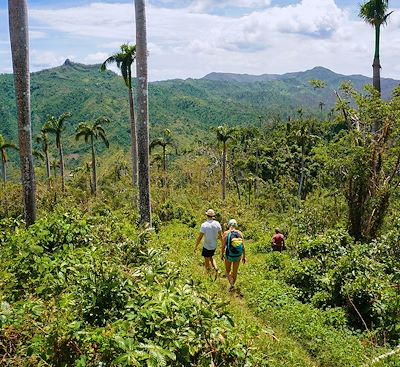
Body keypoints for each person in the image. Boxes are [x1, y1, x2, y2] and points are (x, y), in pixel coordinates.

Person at [194, 209, 223, 274]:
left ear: (207, 215)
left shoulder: (204, 225)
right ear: (213, 216)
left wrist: (196, 246)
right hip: (214, 245)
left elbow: (200, 237)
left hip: (207, 246)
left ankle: (208, 274)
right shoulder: (217, 224)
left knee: (207, 260)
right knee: (211, 256)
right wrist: (223, 244)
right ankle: (216, 270)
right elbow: (221, 235)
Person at [221, 219, 246, 291]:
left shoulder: (226, 233)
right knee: (235, 272)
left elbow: (223, 246)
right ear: (236, 225)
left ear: (228, 225)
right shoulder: (240, 233)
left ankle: (231, 284)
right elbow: (243, 246)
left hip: (229, 255)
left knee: (227, 271)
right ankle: (233, 285)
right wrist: (244, 257)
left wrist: (222, 255)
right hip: (238, 256)